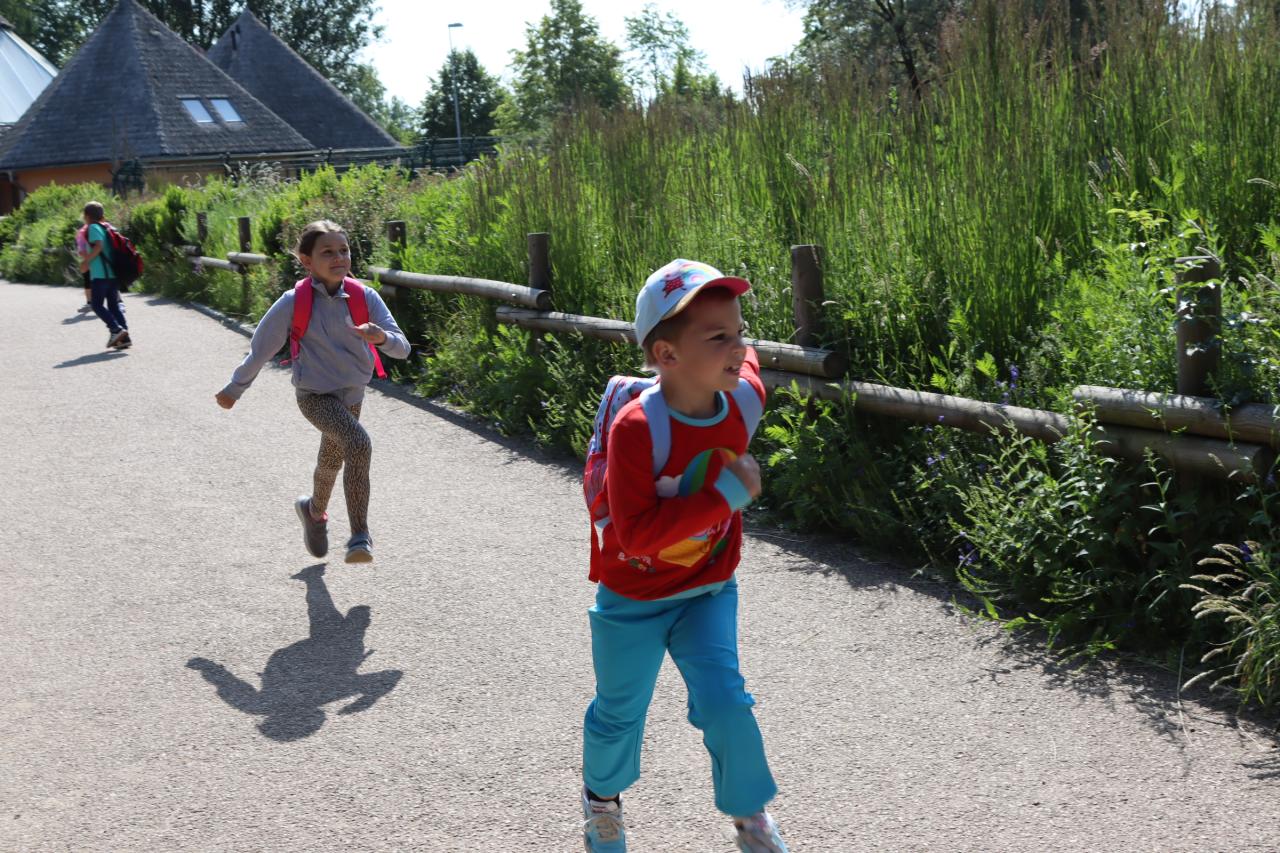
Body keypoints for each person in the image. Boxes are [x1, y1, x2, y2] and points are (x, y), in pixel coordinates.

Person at [580, 259, 788, 852]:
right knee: (620, 712)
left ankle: (751, 818)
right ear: (666, 355)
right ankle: (602, 803)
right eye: (717, 337)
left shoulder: (744, 399)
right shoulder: (636, 428)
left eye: (739, 331)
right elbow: (636, 536)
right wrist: (723, 496)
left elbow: (750, 362)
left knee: (727, 703)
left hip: (708, 589)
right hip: (632, 598)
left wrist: (736, 344)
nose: (737, 347)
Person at [214, 220, 409, 563]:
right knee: (357, 443)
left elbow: (402, 348)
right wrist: (235, 388)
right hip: (314, 397)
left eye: (344, 250)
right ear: (307, 261)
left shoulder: (365, 297)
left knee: (331, 460)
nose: (339, 258)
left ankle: (313, 511)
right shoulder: (294, 302)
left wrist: (381, 337)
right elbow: (261, 349)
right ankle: (360, 536)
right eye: (328, 252)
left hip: (352, 394)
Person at [79, 202, 130, 348]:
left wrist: (86, 261)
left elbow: (99, 245)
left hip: (101, 275)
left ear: (86, 216)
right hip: (112, 274)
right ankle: (124, 338)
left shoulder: (93, 227)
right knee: (113, 306)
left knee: (96, 305)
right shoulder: (107, 227)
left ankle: (116, 330)